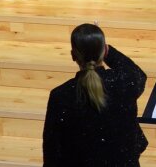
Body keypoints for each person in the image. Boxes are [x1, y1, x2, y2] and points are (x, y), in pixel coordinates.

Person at [42, 23, 147, 167]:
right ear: (104, 51)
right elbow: (136, 73)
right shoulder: (125, 82)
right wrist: (108, 51)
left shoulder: (60, 96)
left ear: (73, 55)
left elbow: (52, 152)